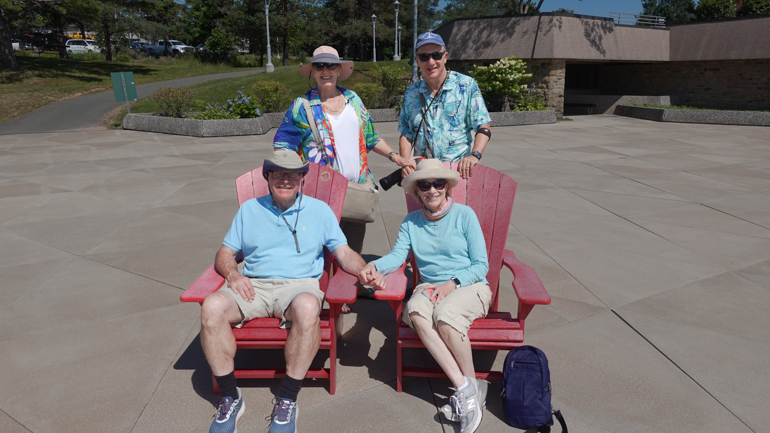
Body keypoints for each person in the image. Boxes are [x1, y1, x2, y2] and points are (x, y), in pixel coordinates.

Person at [200, 151, 381, 433]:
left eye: (293, 175)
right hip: (253, 285)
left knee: (309, 306)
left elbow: (343, 252)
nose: (285, 180)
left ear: (302, 180)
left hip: (299, 286)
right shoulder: (249, 210)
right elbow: (225, 252)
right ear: (267, 177)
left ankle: (287, 399)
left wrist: (363, 270)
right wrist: (233, 274)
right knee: (211, 307)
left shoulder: (320, 211)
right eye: (278, 174)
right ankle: (230, 397)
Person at [358, 159, 491, 433]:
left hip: (469, 284)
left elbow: (481, 265)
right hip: (430, 287)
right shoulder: (411, 223)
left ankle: (468, 391)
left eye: (438, 183)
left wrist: (452, 283)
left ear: (447, 187)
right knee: (417, 312)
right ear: (417, 191)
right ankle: (467, 388)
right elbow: (397, 256)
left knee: (445, 318)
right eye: (425, 184)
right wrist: (371, 266)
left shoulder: (465, 215)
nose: (432, 190)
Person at [273, 45, 415, 256]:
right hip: (320, 195)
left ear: (339, 70)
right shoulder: (302, 106)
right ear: (312, 72)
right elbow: (283, 146)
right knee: (322, 254)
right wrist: (290, 178)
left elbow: (371, 137)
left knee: (353, 252)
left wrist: (396, 157)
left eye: (331, 65)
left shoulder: (353, 100)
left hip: (356, 192)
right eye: (319, 66)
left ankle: (349, 288)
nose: (325, 70)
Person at [398, 32, 492, 180]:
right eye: (424, 57)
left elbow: (483, 126)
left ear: (445, 57)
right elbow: (406, 134)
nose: (431, 62)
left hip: (458, 173)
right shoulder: (411, 93)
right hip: (424, 175)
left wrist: (475, 155)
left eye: (436, 55)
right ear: (417, 60)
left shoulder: (466, 85)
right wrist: (406, 162)